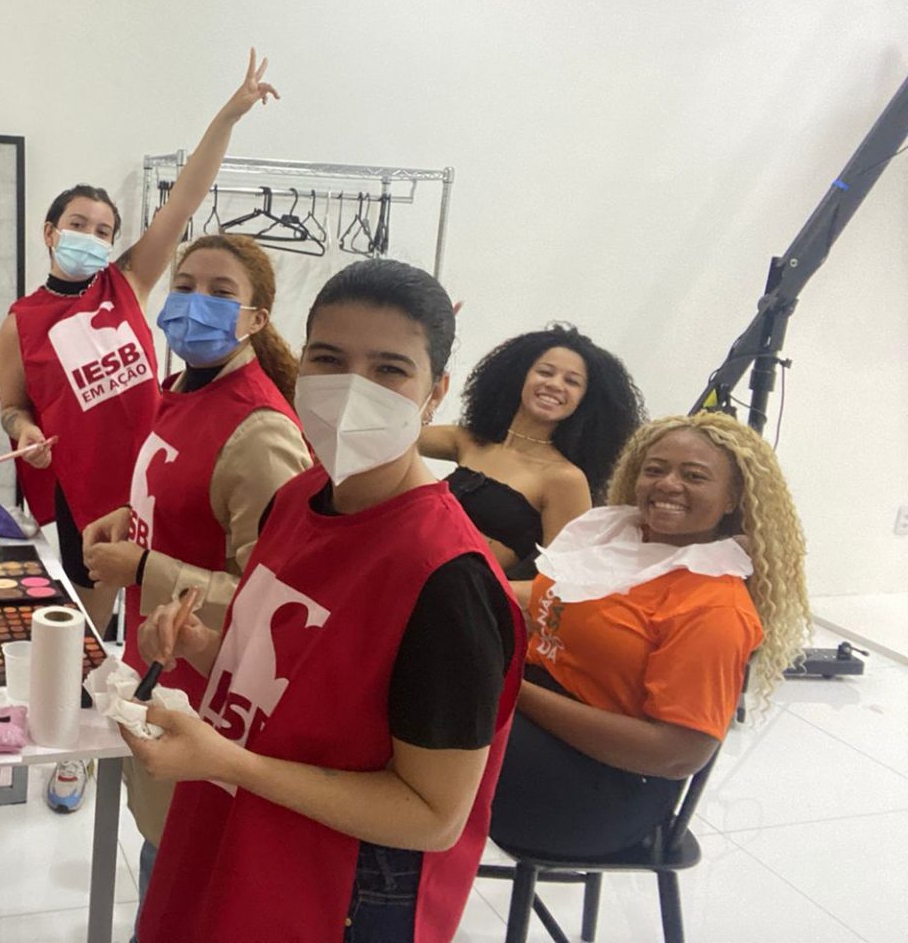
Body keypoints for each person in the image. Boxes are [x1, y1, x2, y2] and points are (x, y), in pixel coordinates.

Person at [125, 260, 525, 943]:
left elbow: (434, 815)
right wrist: (206, 647)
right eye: (329, 360)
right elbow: (302, 684)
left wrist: (227, 763)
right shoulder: (297, 498)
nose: (350, 390)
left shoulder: (448, 580)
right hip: (243, 820)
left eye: (389, 369)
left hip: (340, 883)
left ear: (435, 393)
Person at [0, 50, 278, 813]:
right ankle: (80, 755)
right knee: (91, 636)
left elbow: (184, 201)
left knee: (161, 624)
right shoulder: (20, 321)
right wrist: (25, 430)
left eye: (104, 227)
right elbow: (11, 405)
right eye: (78, 225)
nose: (92, 235)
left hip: (158, 482)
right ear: (50, 231)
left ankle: (154, 738)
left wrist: (227, 116)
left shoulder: (127, 283)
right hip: (85, 496)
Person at [80, 232, 312, 916]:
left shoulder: (261, 430)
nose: (193, 303)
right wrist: (131, 515)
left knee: (185, 865)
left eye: (220, 292)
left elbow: (274, 596)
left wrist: (144, 567)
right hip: (161, 662)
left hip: (210, 692)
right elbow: (191, 495)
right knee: (162, 844)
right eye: (184, 286)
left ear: (256, 319)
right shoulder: (180, 389)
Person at [489, 412, 810, 858]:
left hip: (601, 792)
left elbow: (678, 754)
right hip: (548, 717)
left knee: (436, 721)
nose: (668, 484)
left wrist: (511, 691)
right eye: (655, 469)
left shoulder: (713, 605)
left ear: (733, 497)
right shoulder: (620, 541)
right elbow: (547, 594)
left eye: (694, 476)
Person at [420, 325, 645, 577]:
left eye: (572, 381)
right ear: (519, 376)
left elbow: (558, 580)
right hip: (404, 568)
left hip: (457, 593)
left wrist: (487, 592)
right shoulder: (469, 440)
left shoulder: (565, 479)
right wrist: (424, 349)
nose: (555, 384)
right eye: (545, 372)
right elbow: (396, 435)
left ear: (587, 400)